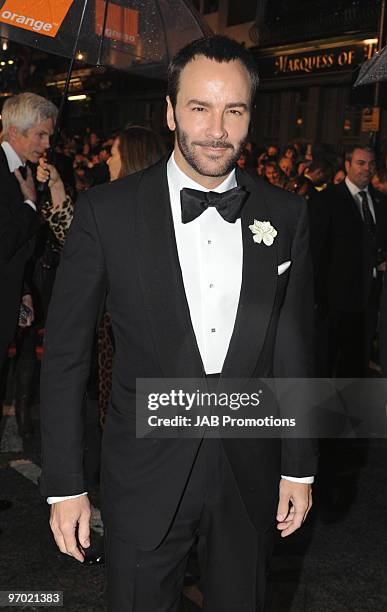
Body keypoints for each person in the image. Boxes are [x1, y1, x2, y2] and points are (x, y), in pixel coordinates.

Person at [40, 35, 317, 611]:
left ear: (249, 117)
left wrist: (299, 466)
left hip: (249, 468)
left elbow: (293, 346)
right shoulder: (105, 213)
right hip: (144, 467)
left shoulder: (285, 215)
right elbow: (66, 358)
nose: (217, 128)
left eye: (233, 110)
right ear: (169, 111)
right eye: (199, 107)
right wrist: (66, 482)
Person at [310, 145, 387, 377]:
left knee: (355, 366)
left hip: (369, 299)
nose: (367, 168)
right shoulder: (327, 200)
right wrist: (317, 299)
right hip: (334, 300)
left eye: (371, 164)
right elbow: (316, 251)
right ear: (347, 165)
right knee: (326, 362)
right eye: (361, 163)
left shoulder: (381, 201)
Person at [0, 92, 57, 376]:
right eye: (41, 135)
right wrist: (30, 204)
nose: (47, 144)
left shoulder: (23, 172)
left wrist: (22, 291)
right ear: (14, 132)